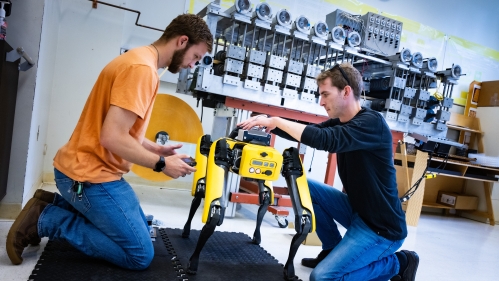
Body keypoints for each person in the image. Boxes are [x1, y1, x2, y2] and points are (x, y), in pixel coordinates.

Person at [6, 14, 213, 270]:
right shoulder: (142, 71)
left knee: (146, 226)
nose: (193, 65)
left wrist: (154, 147)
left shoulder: (138, 59)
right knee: (139, 254)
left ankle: (50, 204)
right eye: (195, 57)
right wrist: (161, 164)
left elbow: (118, 127)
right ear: (182, 41)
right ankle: (48, 219)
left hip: (93, 170)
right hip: (88, 177)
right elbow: (112, 137)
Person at [238, 63, 419, 281]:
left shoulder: (372, 123)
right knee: (304, 186)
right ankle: (331, 248)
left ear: (346, 91)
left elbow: (326, 140)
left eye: (325, 94)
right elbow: (313, 131)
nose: (321, 102)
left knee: (323, 278)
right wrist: (268, 123)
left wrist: (277, 120)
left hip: (382, 228)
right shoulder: (342, 122)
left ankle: (399, 263)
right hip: (359, 212)